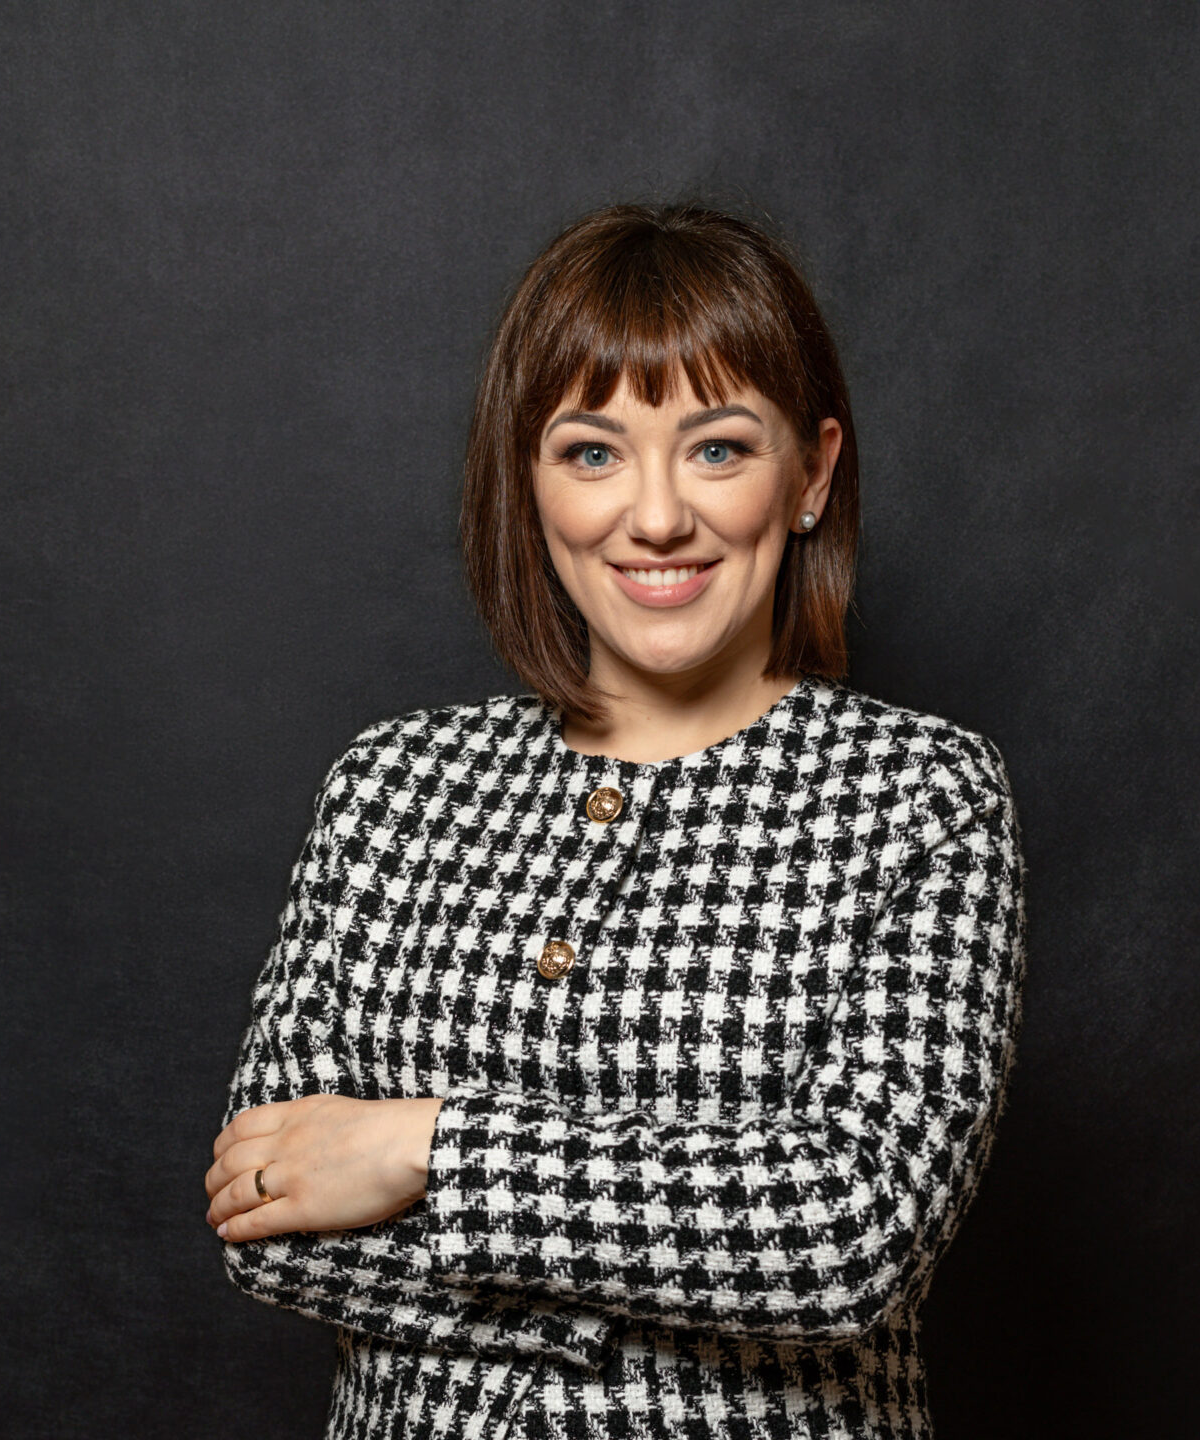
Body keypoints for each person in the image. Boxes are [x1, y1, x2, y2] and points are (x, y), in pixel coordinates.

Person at [202, 202, 1027, 1440]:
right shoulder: (389, 787)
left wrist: (432, 1150)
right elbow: (265, 1217)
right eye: (592, 452)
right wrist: (648, 1285)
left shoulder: (922, 799)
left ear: (810, 474)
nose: (654, 518)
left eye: (717, 448)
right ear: (525, 480)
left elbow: (853, 1237)